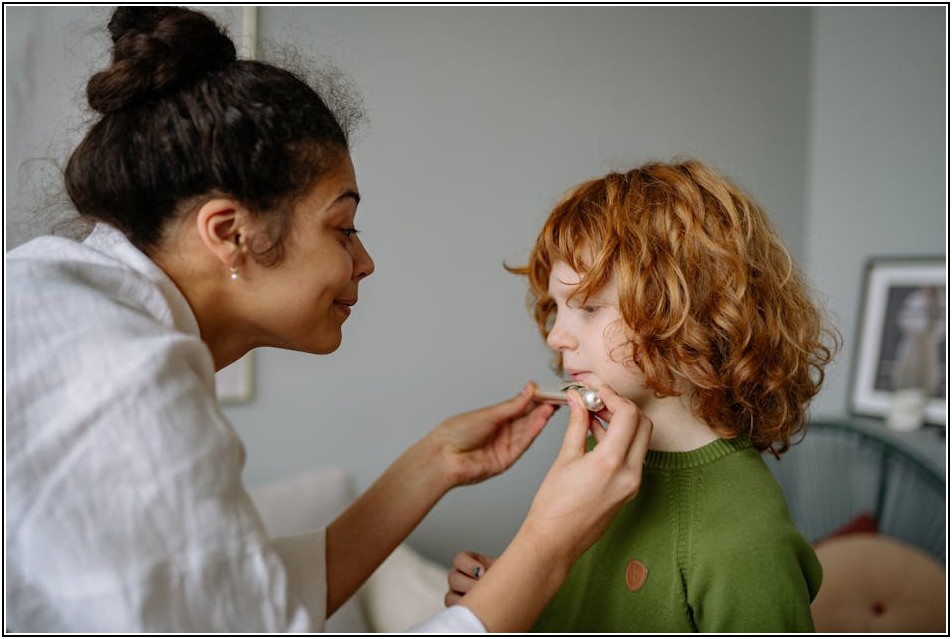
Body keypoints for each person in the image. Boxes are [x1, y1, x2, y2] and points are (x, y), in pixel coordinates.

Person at [4, 7, 654, 633]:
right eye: (342, 227)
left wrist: (435, 462)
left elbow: (231, 598)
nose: (365, 261)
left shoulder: (76, 316)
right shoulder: (128, 382)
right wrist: (548, 543)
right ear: (230, 232)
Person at [446, 159, 841, 632]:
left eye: (588, 308)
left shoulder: (744, 535)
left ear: (688, 311)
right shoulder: (598, 461)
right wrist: (505, 596)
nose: (555, 337)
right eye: (556, 309)